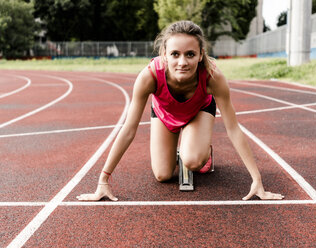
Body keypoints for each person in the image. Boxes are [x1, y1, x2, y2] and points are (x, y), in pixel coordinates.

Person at [77, 20, 284, 201]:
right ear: (164, 54)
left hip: (198, 111)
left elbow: (233, 129)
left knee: (193, 161)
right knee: (162, 175)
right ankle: (184, 147)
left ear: (201, 54)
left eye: (190, 54)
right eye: (175, 54)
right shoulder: (149, 77)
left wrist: (257, 180)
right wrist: (103, 179)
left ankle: (199, 149)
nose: (182, 62)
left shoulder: (213, 77)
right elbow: (129, 129)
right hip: (165, 113)